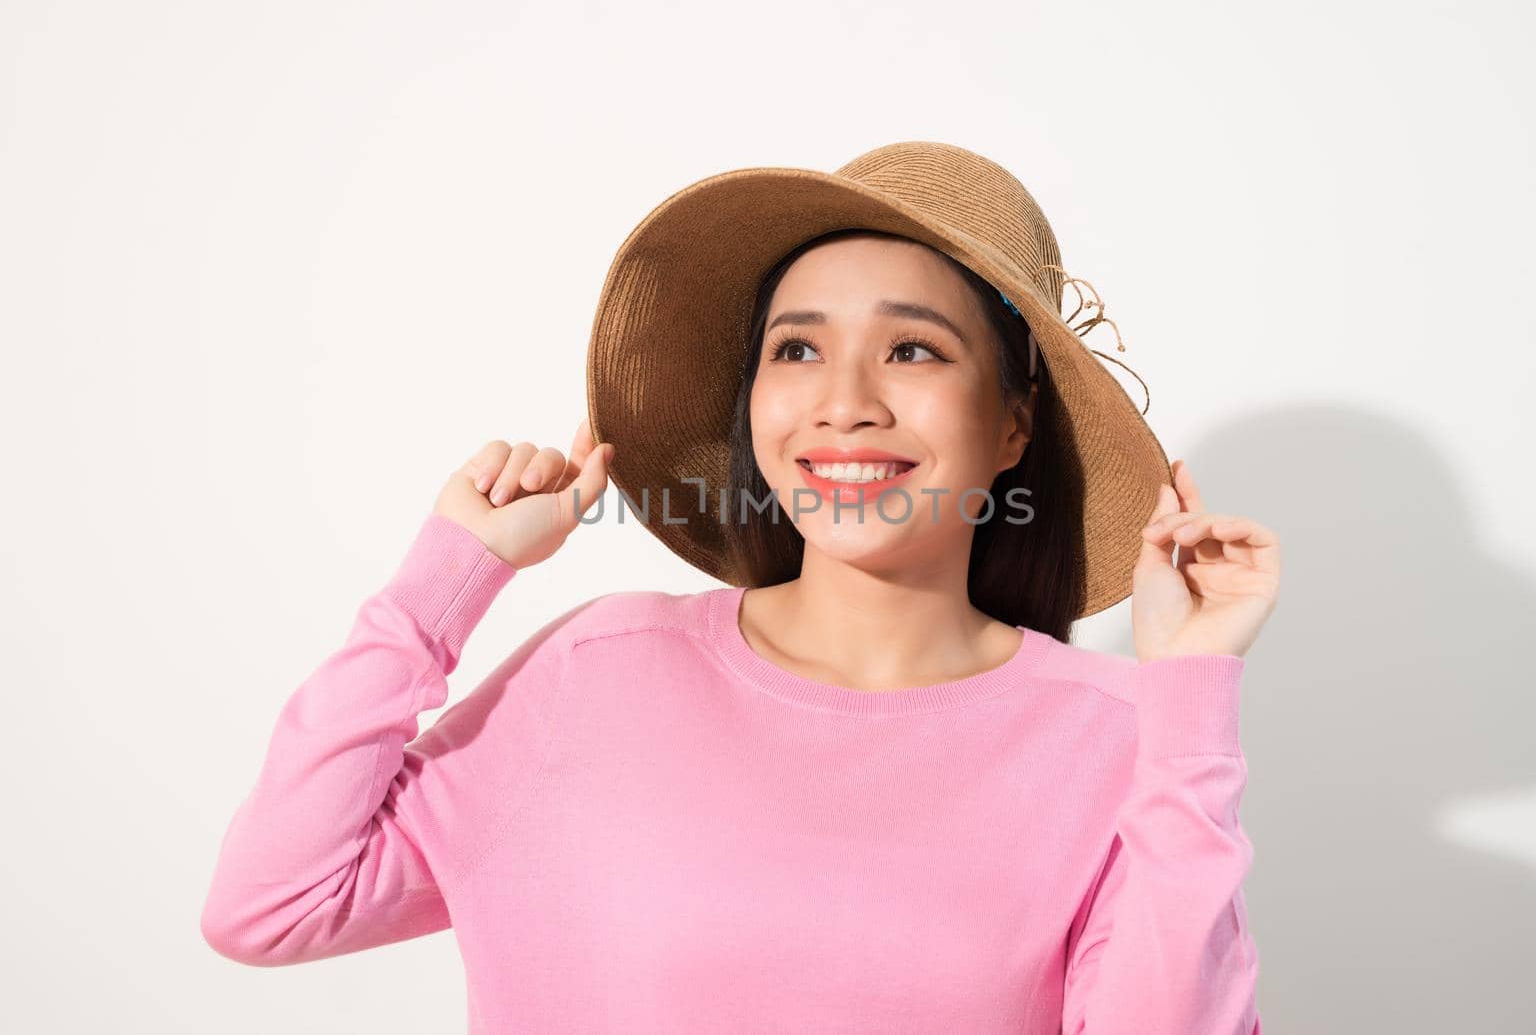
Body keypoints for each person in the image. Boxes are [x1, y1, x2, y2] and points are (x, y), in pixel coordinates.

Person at [201, 143, 1277, 1033]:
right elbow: (274, 904)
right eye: (797, 349)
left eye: (911, 350)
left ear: (1011, 423)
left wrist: (1185, 694)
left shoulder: (1119, 738)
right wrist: (449, 576)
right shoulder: (601, 673)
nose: (842, 404)